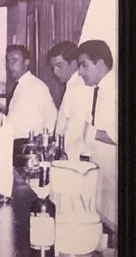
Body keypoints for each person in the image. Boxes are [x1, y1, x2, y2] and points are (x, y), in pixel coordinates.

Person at [75, 39, 117, 231]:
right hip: (101, 172)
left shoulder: (115, 89)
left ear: (100, 62)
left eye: (84, 65)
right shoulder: (101, 88)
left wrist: (86, 131)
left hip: (113, 175)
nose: (80, 72)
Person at [49, 40, 91, 156]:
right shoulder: (72, 85)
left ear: (73, 64)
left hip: (73, 159)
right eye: (53, 67)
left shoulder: (80, 87)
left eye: (59, 66)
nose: (55, 72)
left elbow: (76, 132)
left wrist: (62, 158)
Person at [5, 44, 56, 139]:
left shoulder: (37, 86)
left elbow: (51, 117)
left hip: (28, 145)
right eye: (8, 61)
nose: (10, 65)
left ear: (26, 62)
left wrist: (41, 141)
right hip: (15, 143)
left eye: (15, 60)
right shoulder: (19, 85)